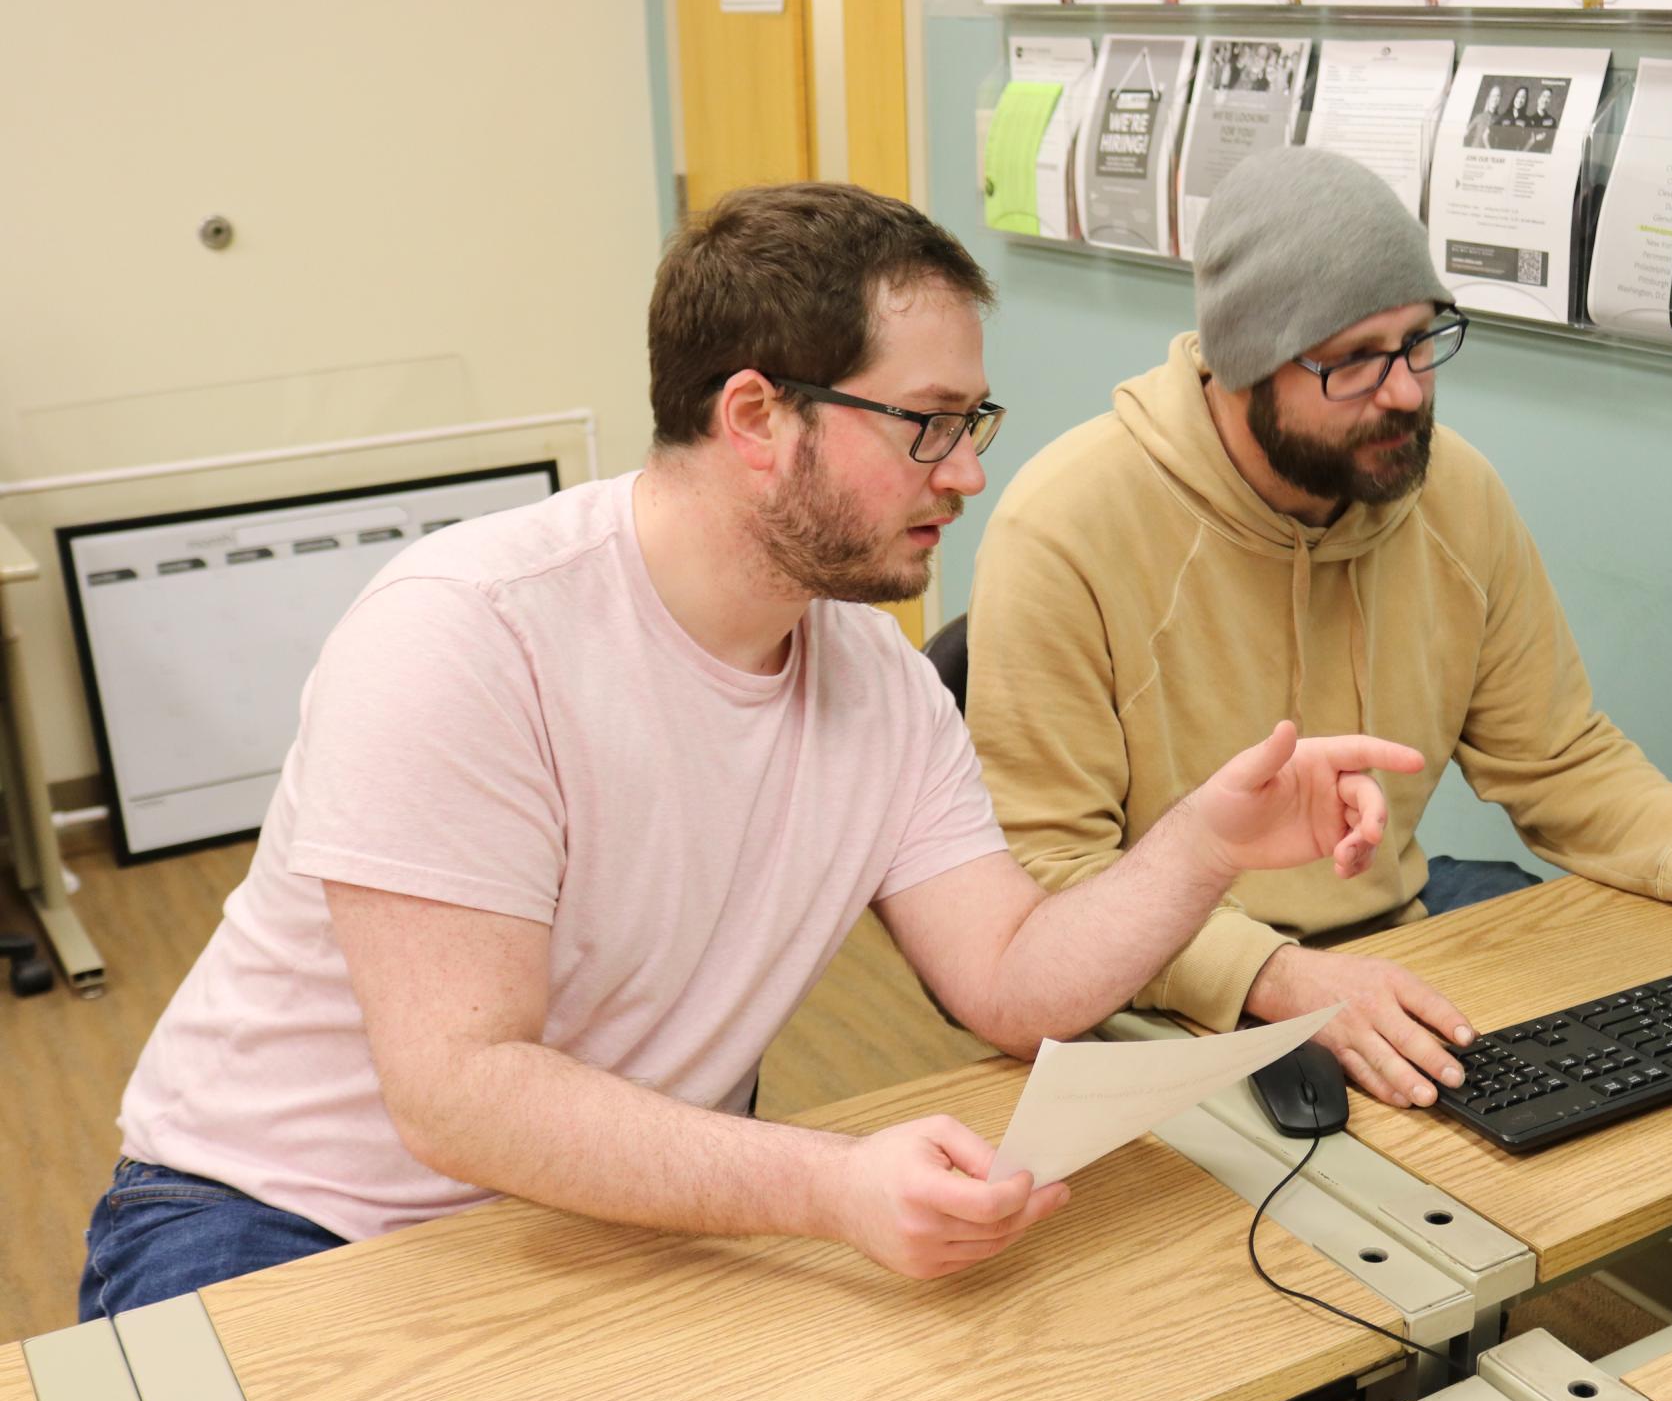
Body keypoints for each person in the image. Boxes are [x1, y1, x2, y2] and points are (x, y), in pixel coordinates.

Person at [81, 182, 1421, 1319]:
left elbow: (1012, 982)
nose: (967, 474)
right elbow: (460, 1094)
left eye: (974, 426)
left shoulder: (875, 687)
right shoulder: (465, 637)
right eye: (930, 424)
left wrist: (1202, 846)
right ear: (755, 420)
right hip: (278, 1219)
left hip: (613, 1210)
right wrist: (826, 1184)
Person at [966, 147, 1672, 1117]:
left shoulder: (1450, 490)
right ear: (1244, 361)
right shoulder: (1066, 529)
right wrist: (1274, 975)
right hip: (1170, 985)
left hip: (1398, 923)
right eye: (1356, 359)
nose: (1409, 390)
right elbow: (1051, 881)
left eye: (1421, 340)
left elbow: (1558, 757)